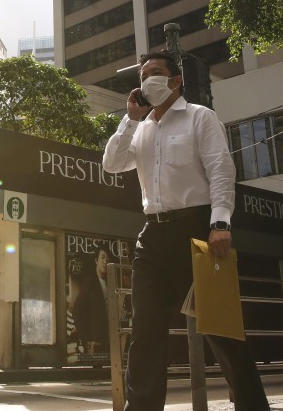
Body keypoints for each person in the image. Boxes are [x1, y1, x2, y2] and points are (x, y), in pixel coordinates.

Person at [102, 51, 269, 411]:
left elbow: (221, 170)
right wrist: (129, 120)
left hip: (198, 231)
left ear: (175, 81)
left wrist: (220, 222)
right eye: (144, 75)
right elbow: (112, 163)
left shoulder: (200, 117)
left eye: (156, 73)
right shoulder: (141, 129)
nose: (147, 80)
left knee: (222, 331)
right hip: (152, 237)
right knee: (145, 332)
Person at [71, 246, 110, 357]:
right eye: (102, 257)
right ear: (96, 260)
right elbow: (76, 311)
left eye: (107, 259)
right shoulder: (89, 282)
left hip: (110, 341)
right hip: (95, 342)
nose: (105, 261)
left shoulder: (111, 282)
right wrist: (87, 339)